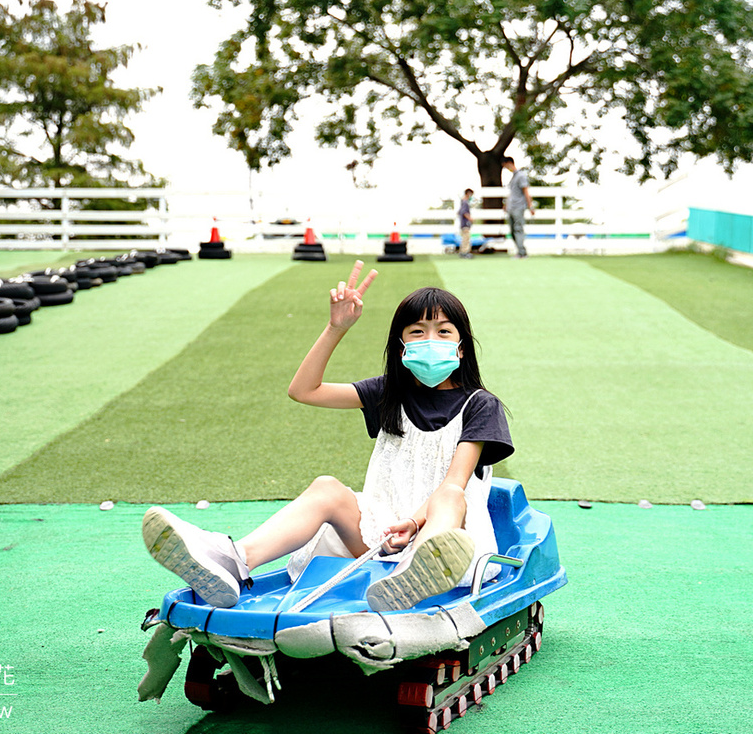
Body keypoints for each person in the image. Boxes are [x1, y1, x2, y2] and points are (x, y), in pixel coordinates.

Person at [142, 261, 514, 612]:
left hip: (445, 542)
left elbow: (454, 483)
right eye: (417, 331)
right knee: (327, 487)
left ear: (461, 347)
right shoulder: (389, 394)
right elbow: (304, 390)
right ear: (402, 349)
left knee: (449, 495)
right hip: (381, 533)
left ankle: (415, 575)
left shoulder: (480, 405)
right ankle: (233, 562)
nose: (430, 339)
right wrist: (336, 327)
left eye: (443, 331)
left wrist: (415, 526)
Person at [501, 156, 534, 258]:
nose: (506, 168)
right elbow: (512, 193)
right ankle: (520, 250)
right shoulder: (513, 177)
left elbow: (526, 191)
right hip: (511, 207)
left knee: (518, 229)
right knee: (512, 230)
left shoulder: (521, 176)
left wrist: (530, 206)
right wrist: (506, 205)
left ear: (510, 163)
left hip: (518, 207)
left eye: (506, 166)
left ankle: (522, 252)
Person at [457, 187, 474, 258]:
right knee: (466, 238)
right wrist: (470, 218)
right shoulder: (465, 203)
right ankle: (465, 252)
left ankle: (463, 251)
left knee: (465, 237)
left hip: (463, 223)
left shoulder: (462, 202)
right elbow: (464, 212)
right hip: (465, 223)